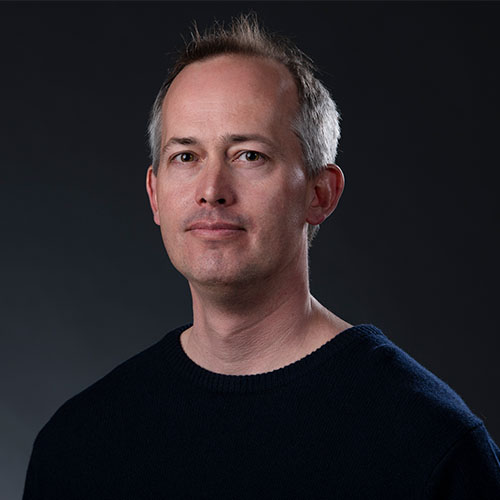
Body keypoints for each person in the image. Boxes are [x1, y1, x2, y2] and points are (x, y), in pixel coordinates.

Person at [23, 14, 500, 499]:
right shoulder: (75, 447)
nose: (211, 191)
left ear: (320, 193)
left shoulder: (432, 446)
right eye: (185, 157)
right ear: (155, 195)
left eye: (249, 155)